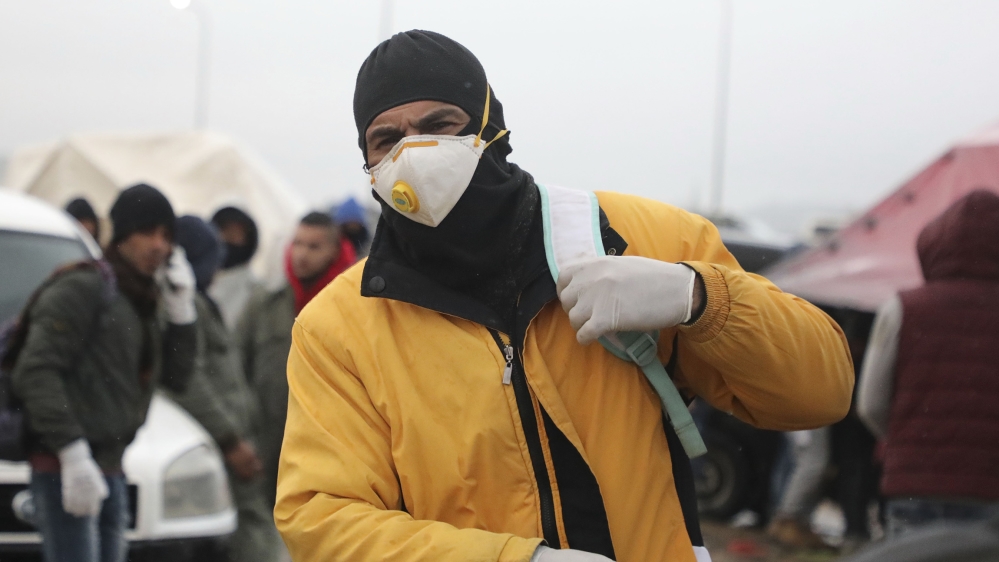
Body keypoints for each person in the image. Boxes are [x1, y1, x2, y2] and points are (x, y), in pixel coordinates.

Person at [274, 30, 854, 562]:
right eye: (386, 138)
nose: (415, 151)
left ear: (490, 126)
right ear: (369, 162)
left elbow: (819, 393)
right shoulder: (341, 326)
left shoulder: (641, 238)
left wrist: (702, 298)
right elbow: (321, 519)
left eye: (441, 124)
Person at [11, 184, 197, 562]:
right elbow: (36, 371)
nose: (158, 246)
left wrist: (182, 316)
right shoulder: (86, 286)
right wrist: (72, 453)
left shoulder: (141, 297)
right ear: (124, 233)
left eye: (166, 236)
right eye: (147, 232)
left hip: (111, 467)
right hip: (64, 469)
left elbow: (176, 379)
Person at [857, 189, 999, 538]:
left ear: (936, 244)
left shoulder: (903, 308)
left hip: (914, 486)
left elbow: (870, 404)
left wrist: (908, 442)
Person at [171, 215, 282, 562]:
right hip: (218, 444)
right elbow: (189, 379)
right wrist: (231, 440)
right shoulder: (184, 311)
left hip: (235, 439)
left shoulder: (200, 304)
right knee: (253, 533)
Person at [236, 211, 356, 508]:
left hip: (329, 450)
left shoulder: (353, 307)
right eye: (298, 243)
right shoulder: (265, 304)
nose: (301, 254)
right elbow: (235, 367)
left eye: (314, 247)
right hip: (267, 444)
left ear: (334, 250)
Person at [209, 206, 261, 331]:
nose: (228, 238)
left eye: (236, 234)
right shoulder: (197, 277)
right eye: (224, 230)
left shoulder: (254, 289)